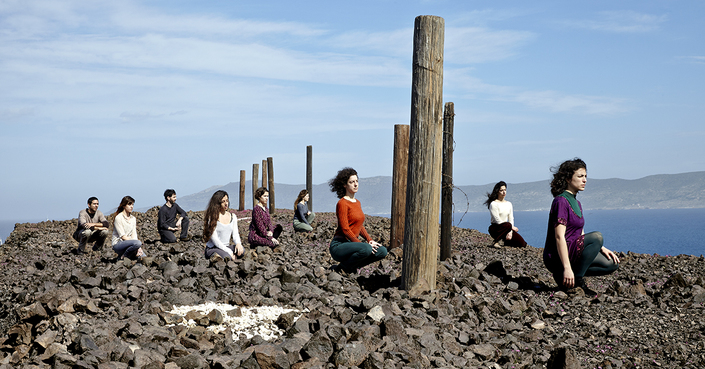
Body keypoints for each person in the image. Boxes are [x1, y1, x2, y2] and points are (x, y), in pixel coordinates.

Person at [543, 158, 620, 294]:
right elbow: (559, 237)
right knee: (597, 236)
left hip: (573, 250)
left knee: (611, 263)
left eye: (585, 176)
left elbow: (580, 234)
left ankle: (566, 278)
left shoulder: (577, 203)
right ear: (568, 179)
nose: (584, 180)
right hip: (556, 256)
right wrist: (567, 267)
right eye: (580, 176)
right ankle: (576, 281)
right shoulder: (561, 201)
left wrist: (601, 248)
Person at [328, 167, 387, 273]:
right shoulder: (342, 203)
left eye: (356, 181)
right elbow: (345, 229)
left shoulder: (357, 202)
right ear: (345, 185)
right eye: (351, 182)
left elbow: (358, 225)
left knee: (382, 251)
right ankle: (343, 268)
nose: (355, 184)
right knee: (366, 249)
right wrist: (362, 245)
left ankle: (351, 266)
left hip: (352, 244)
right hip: (339, 245)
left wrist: (370, 240)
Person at [202, 190, 244, 260]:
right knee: (227, 256)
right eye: (223, 201)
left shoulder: (233, 216)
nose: (226, 204)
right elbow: (215, 239)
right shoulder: (212, 217)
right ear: (217, 203)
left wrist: (238, 244)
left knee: (242, 250)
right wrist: (230, 252)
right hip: (213, 248)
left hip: (226, 247)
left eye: (227, 201)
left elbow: (235, 234)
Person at [484, 181, 527, 248]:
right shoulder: (494, 204)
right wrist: (511, 227)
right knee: (507, 225)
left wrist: (510, 232)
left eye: (505, 190)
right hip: (496, 228)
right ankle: (495, 242)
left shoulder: (509, 204)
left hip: (507, 228)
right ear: (497, 191)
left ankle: (507, 242)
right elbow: (497, 220)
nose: (504, 192)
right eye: (501, 190)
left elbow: (511, 218)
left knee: (522, 244)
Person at [111, 196, 145, 260]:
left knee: (142, 255)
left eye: (132, 204)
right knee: (138, 243)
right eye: (129, 204)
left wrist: (138, 248)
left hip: (130, 243)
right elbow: (123, 236)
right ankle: (124, 256)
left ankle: (128, 256)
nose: (131, 206)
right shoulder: (119, 218)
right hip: (118, 244)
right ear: (124, 206)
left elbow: (134, 234)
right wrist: (137, 244)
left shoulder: (133, 218)